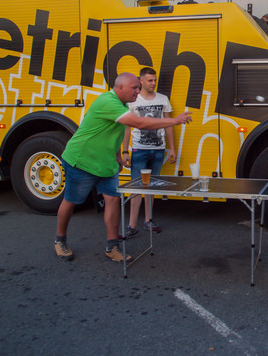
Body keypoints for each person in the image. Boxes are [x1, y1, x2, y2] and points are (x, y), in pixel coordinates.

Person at [54, 72, 192, 263]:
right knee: (71, 201)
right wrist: (174, 120)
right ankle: (60, 240)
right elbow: (140, 123)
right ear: (120, 88)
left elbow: (114, 132)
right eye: (134, 88)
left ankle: (112, 247)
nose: (138, 91)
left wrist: (118, 157)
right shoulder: (107, 102)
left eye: (138, 87)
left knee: (113, 201)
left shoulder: (124, 105)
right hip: (82, 160)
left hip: (106, 164)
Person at [121, 67, 177, 237]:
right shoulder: (133, 100)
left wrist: (172, 148)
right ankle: (131, 226)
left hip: (158, 149)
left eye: (155, 80)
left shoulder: (162, 99)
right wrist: (124, 151)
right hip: (139, 150)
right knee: (137, 186)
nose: (153, 83)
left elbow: (168, 124)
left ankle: (148, 220)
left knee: (151, 187)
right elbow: (126, 128)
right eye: (150, 80)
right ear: (141, 81)